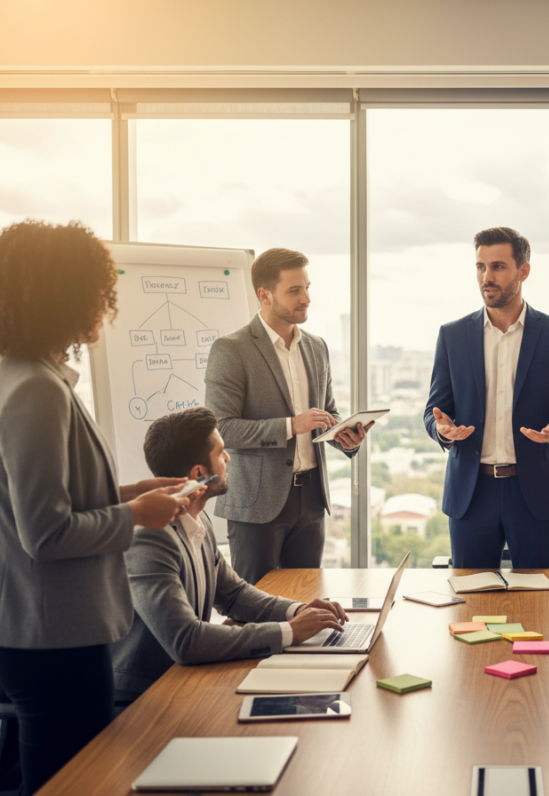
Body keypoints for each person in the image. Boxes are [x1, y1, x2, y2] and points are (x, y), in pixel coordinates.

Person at [0, 220, 189, 795]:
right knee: (73, 779)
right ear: (66, 295)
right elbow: (47, 533)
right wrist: (138, 516)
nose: (103, 308)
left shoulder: (23, 375)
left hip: (43, 627)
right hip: (54, 630)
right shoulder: (34, 388)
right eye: (96, 291)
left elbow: (41, 499)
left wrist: (132, 492)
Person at [111, 408, 347, 701]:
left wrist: (297, 611)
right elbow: (186, 640)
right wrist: (289, 632)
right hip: (146, 697)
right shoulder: (150, 539)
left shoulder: (198, 519)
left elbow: (234, 594)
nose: (228, 458)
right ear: (200, 474)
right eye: (221, 452)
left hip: (184, 680)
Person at [423, 227, 549, 568]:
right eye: (481, 267)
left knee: (541, 605)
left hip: (534, 493)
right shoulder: (452, 335)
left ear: (523, 271)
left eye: (498, 266)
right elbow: (434, 411)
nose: (487, 276)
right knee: (470, 605)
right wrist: (442, 430)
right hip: (471, 492)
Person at [205, 248, 371, 585]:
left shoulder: (317, 346)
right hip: (257, 503)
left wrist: (345, 436)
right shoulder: (231, 349)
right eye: (295, 290)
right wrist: (291, 426)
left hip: (310, 501)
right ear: (264, 295)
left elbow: (326, 412)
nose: (306, 298)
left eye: (307, 288)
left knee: (307, 602)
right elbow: (222, 429)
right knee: (255, 607)